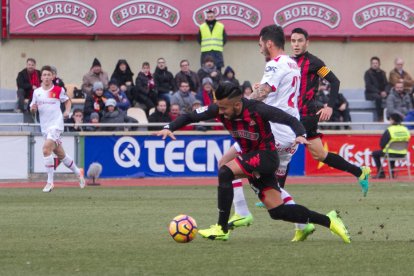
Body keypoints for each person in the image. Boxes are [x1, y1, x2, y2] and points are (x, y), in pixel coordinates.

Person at [157, 82, 351, 243]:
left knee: (225, 171)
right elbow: (191, 116)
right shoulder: (220, 108)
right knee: (278, 211)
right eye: (219, 107)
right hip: (252, 158)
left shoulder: (257, 109)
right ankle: (329, 220)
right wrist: (170, 127)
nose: (220, 112)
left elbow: (288, 119)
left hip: (266, 156)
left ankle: (221, 227)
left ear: (237, 104)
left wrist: (300, 134)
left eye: (224, 108)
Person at [228, 25, 312, 242]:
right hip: (291, 132)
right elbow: (276, 93)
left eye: (260, 45)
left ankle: (241, 212)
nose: (259, 49)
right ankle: (303, 224)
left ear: (269, 43)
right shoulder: (293, 64)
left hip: (274, 131)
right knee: (271, 186)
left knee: (225, 164)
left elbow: (262, 94)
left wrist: (237, 105)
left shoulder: (274, 64)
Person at [290, 27, 370, 196]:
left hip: (306, 115)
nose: (296, 44)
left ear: (307, 42)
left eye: (300, 41)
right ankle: (359, 172)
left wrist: (329, 106)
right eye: (293, 41)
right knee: (320, 155)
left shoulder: (315, 63)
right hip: (293, 114)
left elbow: (335, 81)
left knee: (282, 147)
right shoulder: (287, 62)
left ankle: (275, 195)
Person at [29, 65, 85, 192]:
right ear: (41, 77)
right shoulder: (37, 92)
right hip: (45, 127)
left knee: (45, 149)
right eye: (44, 75)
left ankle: (50, 182)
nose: (47, 77)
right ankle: (78, 172)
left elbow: (67, 101)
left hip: (56, 125)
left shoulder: (59, 90)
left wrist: (67, 111)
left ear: (53, 76)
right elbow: (32, 108)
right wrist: (33, 109)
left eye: (49, 75)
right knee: (61, 155)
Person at [372, 113, 411, 179]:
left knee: (375, 153)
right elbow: (407, 139)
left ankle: (381, 174)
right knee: (391, 152)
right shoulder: (405, 129)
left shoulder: (390, 130)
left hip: (390, 152)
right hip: (402, 153)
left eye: (390, 119)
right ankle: (392, 174)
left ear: (392, 120)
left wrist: (385, 147)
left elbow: (382, 144)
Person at [364, 56, 389, 121]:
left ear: (379, 64)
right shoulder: (368, 73)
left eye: (376, 63)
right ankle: (380, 117)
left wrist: (386, 91)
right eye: (373, 63)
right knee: (378, 97)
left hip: (382, 92)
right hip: (370, 93)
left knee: (391, 96)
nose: (375, 64)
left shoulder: (383, 73)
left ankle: (390, 117)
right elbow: (368, 86)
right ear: (371, 64)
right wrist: (380, 92)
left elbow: (386, 84)